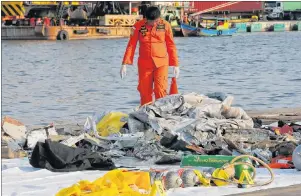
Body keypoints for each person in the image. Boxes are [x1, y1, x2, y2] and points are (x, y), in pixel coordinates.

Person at [120, 6, 179, 106]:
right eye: (152, 22)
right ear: (146, 19)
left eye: (156, 21)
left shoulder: (165, 25)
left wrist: (175, 64)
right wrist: (124, 63)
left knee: (160, 90)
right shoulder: (138, 26)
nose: (154, 24)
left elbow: (171, 45)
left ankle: (161, 114)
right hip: (144, 65)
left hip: (161, 64)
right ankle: (145, 114)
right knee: (145, 92)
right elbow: (131, 45)